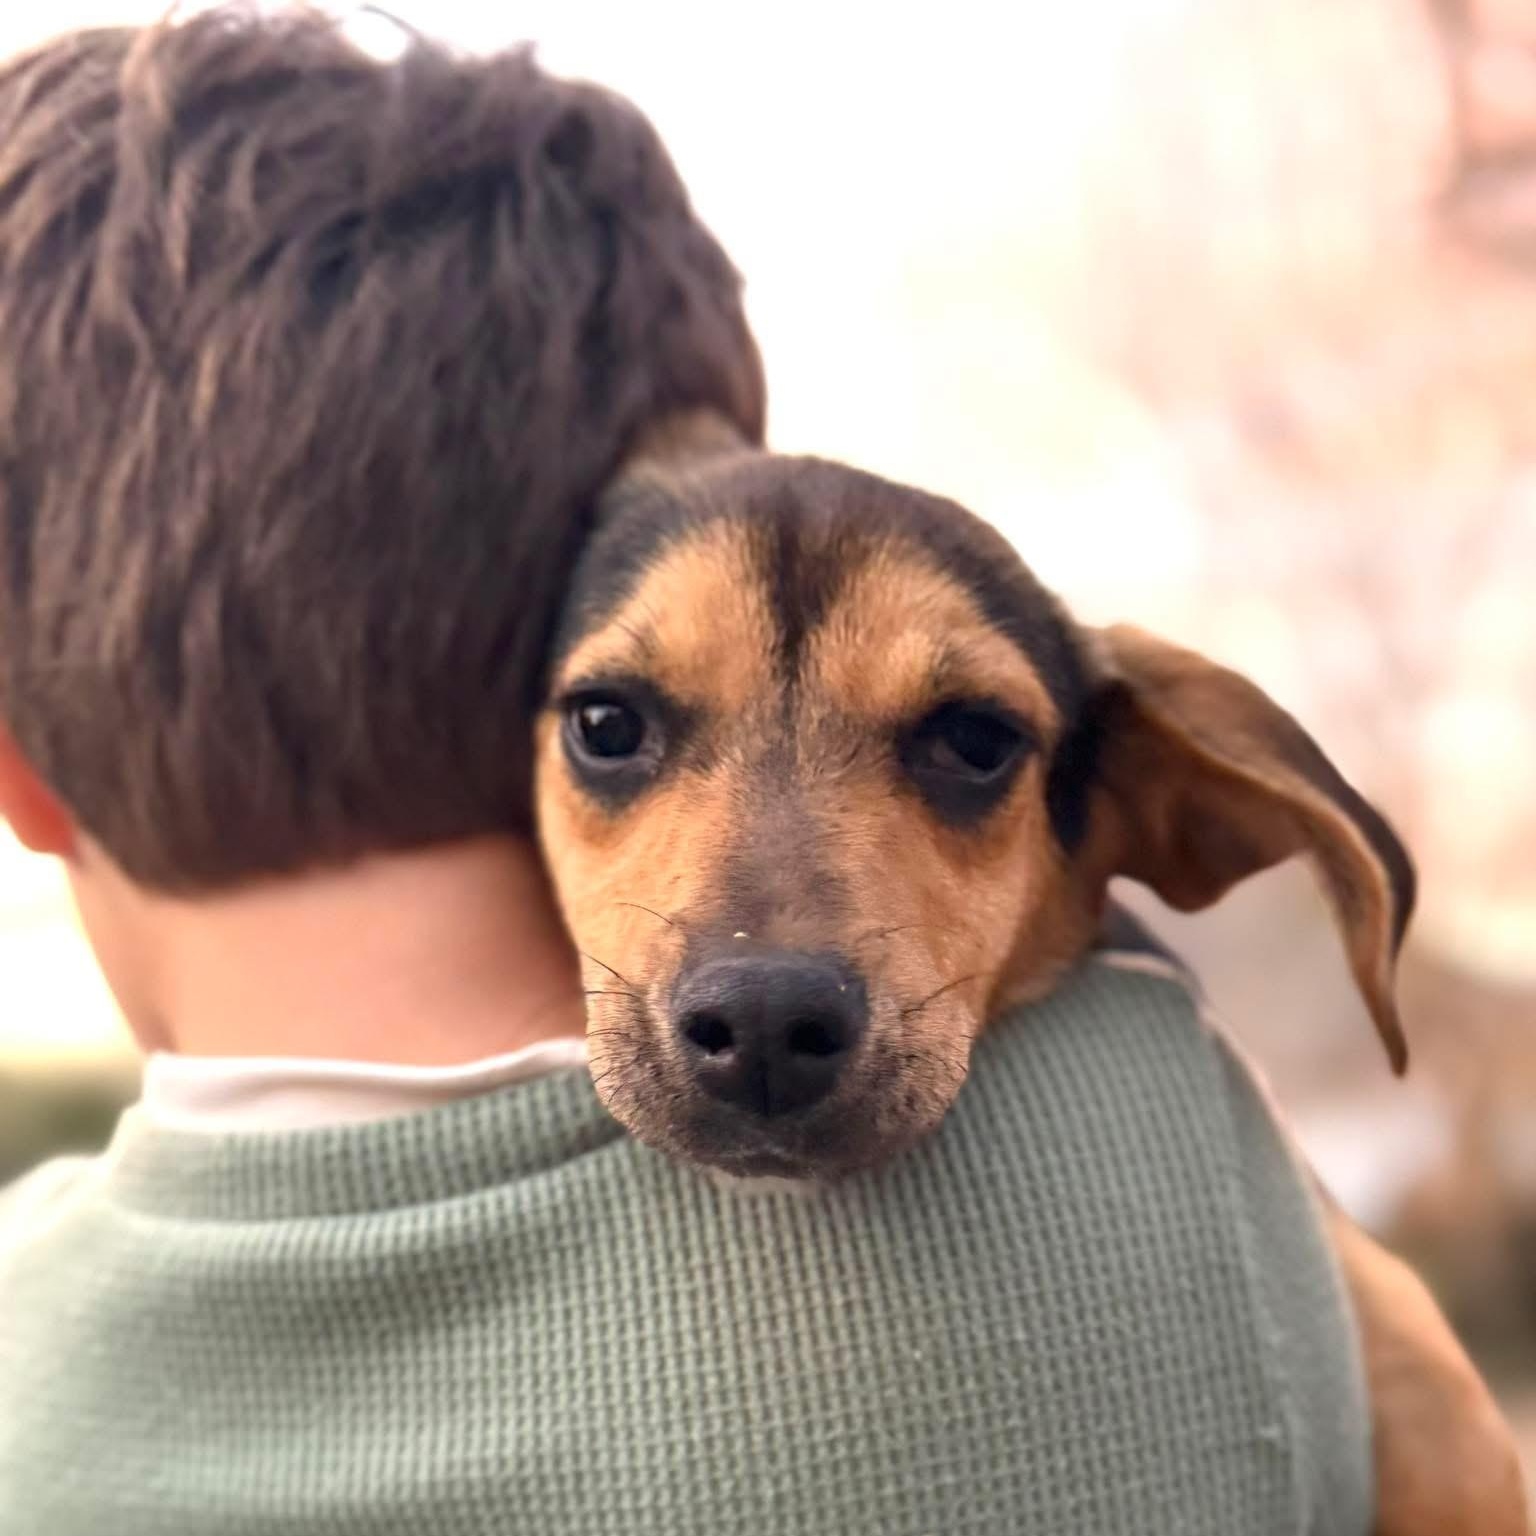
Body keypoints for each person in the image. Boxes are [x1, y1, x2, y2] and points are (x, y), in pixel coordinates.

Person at [0, 10, 1373, 1534]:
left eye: (963, 743)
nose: (764, 979)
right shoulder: (1178, 1142)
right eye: (616, 729)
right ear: (493, 702)